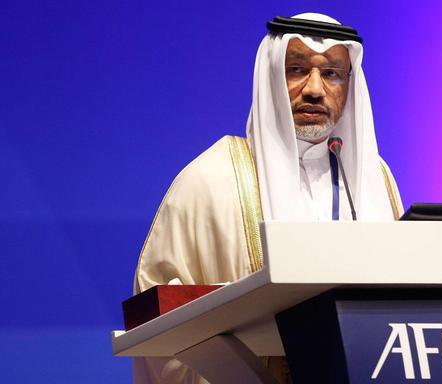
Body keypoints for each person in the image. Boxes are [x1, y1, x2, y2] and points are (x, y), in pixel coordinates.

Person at [133, 12, 403, 384]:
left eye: (332, 74)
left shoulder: (374, 180)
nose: (314, 88)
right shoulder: (210, 181)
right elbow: (159, 324)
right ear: (271, 76)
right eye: (296, 69)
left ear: (349, 86)